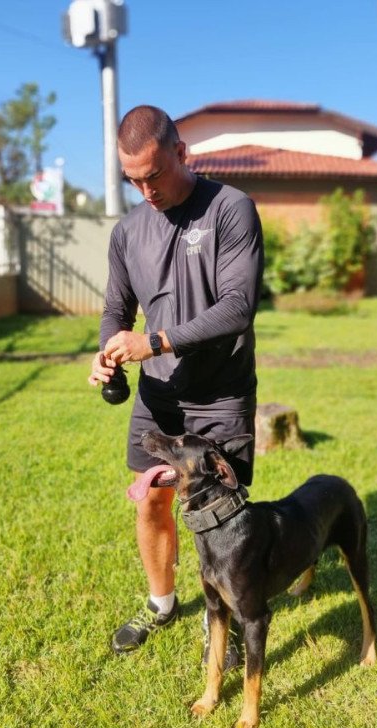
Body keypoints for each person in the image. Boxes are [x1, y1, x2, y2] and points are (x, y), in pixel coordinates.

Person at [88, 105, 264, 663]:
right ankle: (162, 603)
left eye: (153, 174)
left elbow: (238, 307)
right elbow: (116, 309)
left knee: (225, 514)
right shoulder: (127, 232)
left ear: (181, 153)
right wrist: (110, 352)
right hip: (159, 396)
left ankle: (233, 616)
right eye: (131, 179)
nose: (145, 189)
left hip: (221, 392)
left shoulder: (230, 209)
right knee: (151, 504)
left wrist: (155, 342)